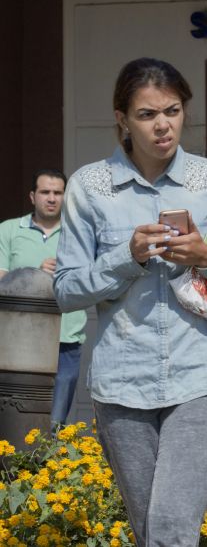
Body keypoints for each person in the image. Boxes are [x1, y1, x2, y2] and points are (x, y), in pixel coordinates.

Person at [53, 57, 207, 547]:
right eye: (147, 114)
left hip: (202, 378)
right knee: (150, 533)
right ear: (122, 119)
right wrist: (127, 256)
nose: (163, 125)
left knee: (170, 529)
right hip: (123, 383)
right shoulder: (90, 186)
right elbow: (65, 291)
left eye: (172, 110)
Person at [0, 170, 87, 427]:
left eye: (58, 193)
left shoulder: (79, 234)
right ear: (32, 196)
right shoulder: (9, 230)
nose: (51, 198)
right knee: (14, 417)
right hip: (17, 340)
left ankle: (49, 467)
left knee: (55, 422)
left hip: (66, 338)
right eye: (45, 192)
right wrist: (35, 275)